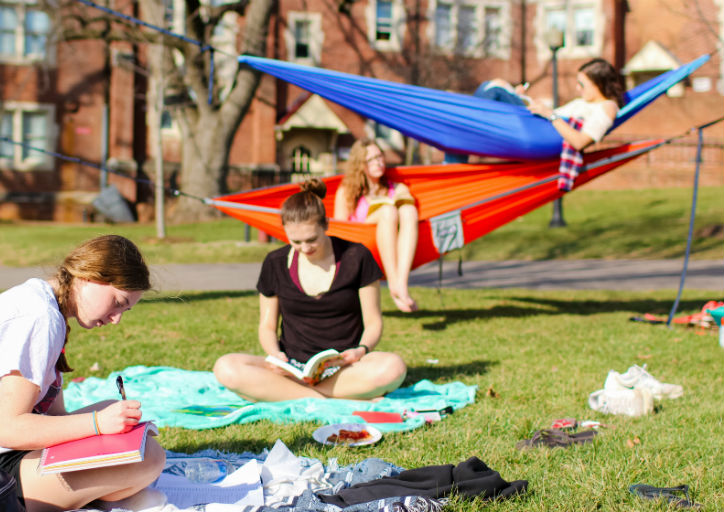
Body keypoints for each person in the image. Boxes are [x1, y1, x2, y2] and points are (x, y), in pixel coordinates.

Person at [0, 235, 164, 512]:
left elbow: (54, 418)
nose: (116, 319)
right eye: (118, 301)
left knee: (120, 420)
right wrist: (98, 424)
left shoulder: (45, 304)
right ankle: (102, 494)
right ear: (90, 276)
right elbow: (10, 430)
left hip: (0, 455)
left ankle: (99, 491)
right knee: (148, 458)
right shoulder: (38, 317)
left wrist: (107, 424)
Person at [213, 179, 407, 402]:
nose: (305, 248)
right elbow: (267, 326)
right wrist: (276, 356)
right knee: (226, 367)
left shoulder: (357, 256)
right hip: (292, 369)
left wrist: (361, 350)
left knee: (393, 367)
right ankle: (332, 397)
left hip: (345, 367)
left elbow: (373, 322)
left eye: (312, 239)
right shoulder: (274, 263)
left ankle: (287, 394)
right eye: (295, 241)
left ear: (325, 224)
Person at [445, 58, 625, 165]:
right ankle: (458, 147)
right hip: (539, 122)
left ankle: (455, 156)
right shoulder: (589, 102)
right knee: (493, 86)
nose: (578, 89)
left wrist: (550, 114)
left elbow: (579, 142)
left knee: (493, 91)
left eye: (582, 84)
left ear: (599, 84)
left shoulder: (607, 107)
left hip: (540, 130)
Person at [334, 138, 420, 312]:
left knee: (409, 211)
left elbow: (405, 204)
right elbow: (339, 230)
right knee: (388, 211)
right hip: (361, 248)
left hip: (390, 248)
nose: (378, 162)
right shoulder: (347, 192)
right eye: (371, 159)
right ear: (360, 164)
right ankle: (394, 284)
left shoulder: (395, 188)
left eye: (380, 157)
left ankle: (400, 285)